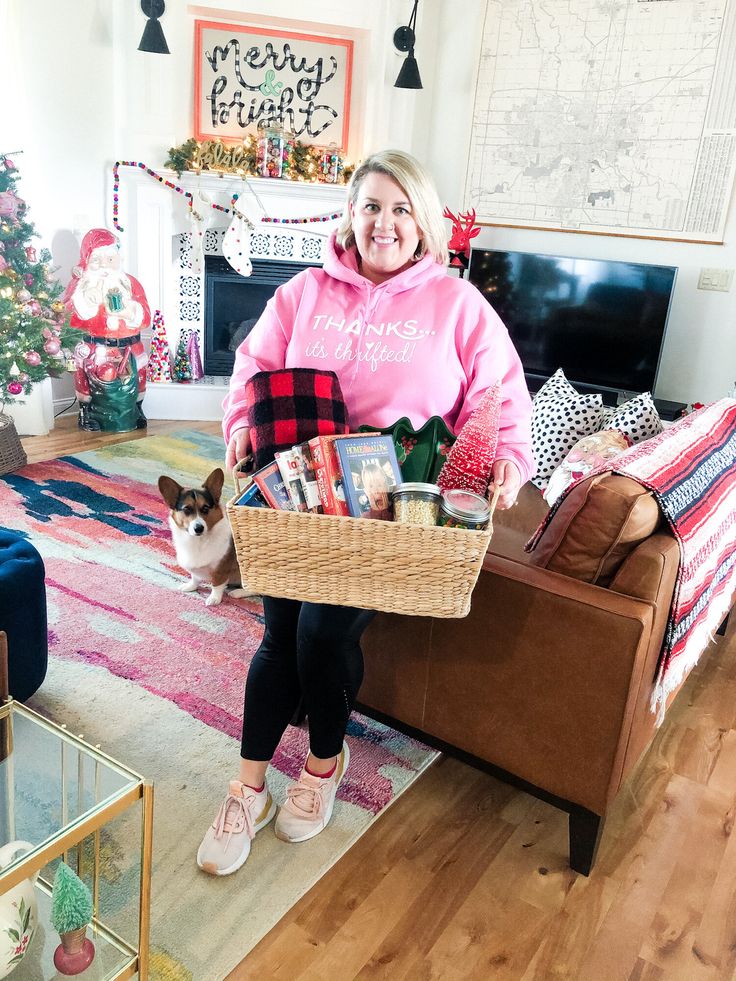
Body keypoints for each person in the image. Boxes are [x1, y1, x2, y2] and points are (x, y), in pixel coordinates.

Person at [197, 149, 533, 876]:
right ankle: (247, 788)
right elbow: (253, 368)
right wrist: (236, 426)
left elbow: (498, 394)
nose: (385, 223)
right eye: (372, 205)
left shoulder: (457, 306)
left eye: (401, 208)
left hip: (389, 512)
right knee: (278, 631)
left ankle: (322, 765)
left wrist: (507, 456)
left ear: (424, 222)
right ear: (350, 214)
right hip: (295, 498)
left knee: (320, 633)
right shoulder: (303, 293)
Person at [63, 228, 149, 431]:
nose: (104, 266)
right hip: (96, 347)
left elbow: (145, 316)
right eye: (96, 261)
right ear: (87, 261)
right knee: (87, 379)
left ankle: (137, 410)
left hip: (129, 346)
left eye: (110, 260)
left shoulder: (130, 283)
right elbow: (68, 317)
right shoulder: (81, 285)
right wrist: (86, 303)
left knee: (138, 378)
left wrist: (129, 311)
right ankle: (87, 413)